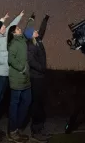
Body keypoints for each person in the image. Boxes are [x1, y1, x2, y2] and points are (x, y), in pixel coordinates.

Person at [0, 10, 24, 142]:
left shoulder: (2, 37)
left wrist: (18, 16)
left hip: (4, 73)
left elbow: (9, 27)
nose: (4, 28)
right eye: (1, 26)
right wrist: (7, 62)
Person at [7, 14, 35, 143]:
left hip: (26, 80)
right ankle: (12, 131)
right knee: (14, 104)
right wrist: (22, 68)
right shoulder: (13, 43)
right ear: (13, 33)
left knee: (27, 102)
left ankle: (17, 127)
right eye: (17, 29)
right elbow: (11, 59)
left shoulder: (22, 39)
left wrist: (31, 20)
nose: (20, 29)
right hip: (17, 78)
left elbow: (28, 31)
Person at [23, 14, 51, 142]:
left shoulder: (38, 40)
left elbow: (42, 30)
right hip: (36, 77)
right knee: (36, 104)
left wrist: (45, 20)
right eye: (33, 31)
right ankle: (36, 131)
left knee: (40, 103)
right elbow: (31, 61)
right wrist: (41, 68)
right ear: (30, 35)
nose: (36, 31)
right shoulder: (30, 45)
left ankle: (40, 127)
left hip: (41, 76)